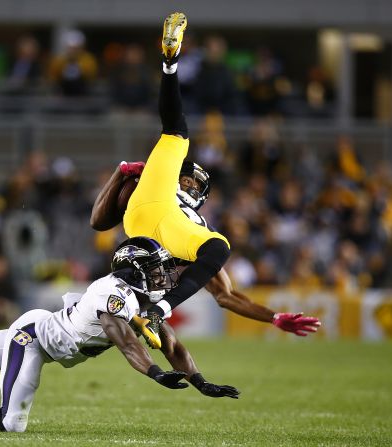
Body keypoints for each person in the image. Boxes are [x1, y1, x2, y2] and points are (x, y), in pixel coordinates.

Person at [0, 236, 238, 432]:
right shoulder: (113, 294)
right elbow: (125, 340)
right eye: (155, 268)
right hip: (31, 339)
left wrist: (199, 381)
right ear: (134, 270)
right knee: (9, 423)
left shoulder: (137, 296)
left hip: (42, 334)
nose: (162, 274)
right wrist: (153, 374)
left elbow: (171, 342)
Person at [90, 12, 320, 348]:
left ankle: (170, 64)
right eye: (188, 181)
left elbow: (226, 296)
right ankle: (170, 63)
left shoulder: (191, 224)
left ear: (202, 196)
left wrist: (272, 317)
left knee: (176, 133)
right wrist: (121, 175)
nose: (189, 185)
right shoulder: (190, 215)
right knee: (218, 242)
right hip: (160, 210)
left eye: (195, 185)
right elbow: (99, 221)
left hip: (146, 222)